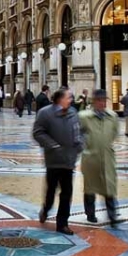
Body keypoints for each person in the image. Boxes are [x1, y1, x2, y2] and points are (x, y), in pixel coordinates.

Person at [32, 88, 83, 235]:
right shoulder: (45, 113)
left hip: (69, 160)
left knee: (67, 192)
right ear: (60, 99)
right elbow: (38, 133)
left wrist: (80, 144)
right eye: (68, 97)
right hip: (53, 160)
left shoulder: (73, 112)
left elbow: (80, 131)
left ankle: (62, 224)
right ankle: (46, 209)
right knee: (51, 191)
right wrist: (53, 146)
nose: (71, 100)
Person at [79, 89, 119, 227]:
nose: (103, 103)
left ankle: (112, 216)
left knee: (110, 187)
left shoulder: (112, 116)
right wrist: (87, 146)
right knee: (90, 187)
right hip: (91, 157)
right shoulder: (84, 116)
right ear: (94, 101)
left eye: (104, 100)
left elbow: (114, 134)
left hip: (107, 157)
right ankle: (90, 214)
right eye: (100, 100)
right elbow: (78, 134)